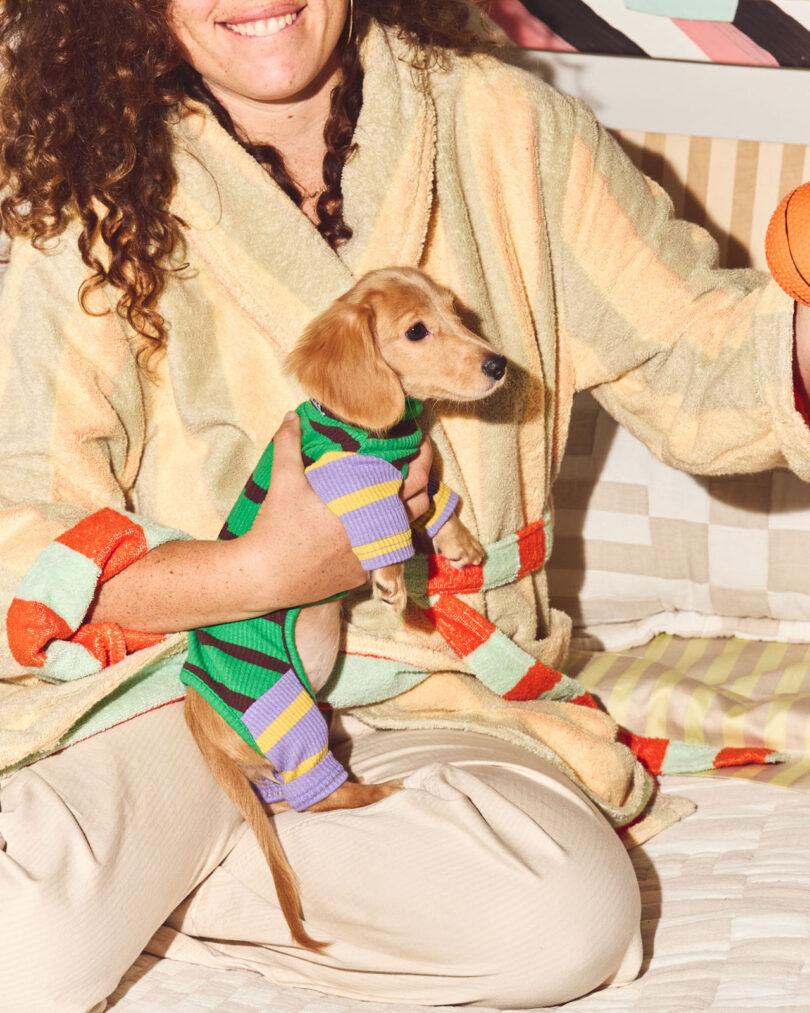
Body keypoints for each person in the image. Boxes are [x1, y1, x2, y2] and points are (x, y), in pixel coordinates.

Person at [0, 1, 807, 1011]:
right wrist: (261, 572)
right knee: (19, 946)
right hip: (194, 678)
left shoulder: (506, 127)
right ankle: (161, 846)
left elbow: (695, 346)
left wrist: (803, 341)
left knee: (567, 922)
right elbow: (22, 511)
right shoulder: (97, 172)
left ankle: (159, 882)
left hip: (433, 681)